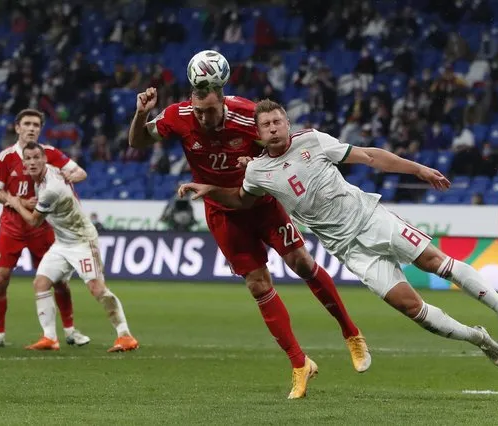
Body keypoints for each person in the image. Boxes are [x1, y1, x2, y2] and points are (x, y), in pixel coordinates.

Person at [179, 99, 498, 384]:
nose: (273, 129)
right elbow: (242, 200)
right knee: (415, 312)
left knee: (436, 263)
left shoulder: (313, 140)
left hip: (371, 219)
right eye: (266, 125)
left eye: (277, 122)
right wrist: (210, 189)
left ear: (287, 123)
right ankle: (479, 339)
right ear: (258, 133)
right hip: (349, 250)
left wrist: (418, 169)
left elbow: (368, 155)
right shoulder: (257, 171)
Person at [129, 85, 368, 400]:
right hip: (223, 213)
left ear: (222, 99)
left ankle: (351, 332)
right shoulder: (178, 115)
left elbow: (281, 148)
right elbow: (137, 141)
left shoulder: (247, 114)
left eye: (210, 110)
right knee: (258, 285)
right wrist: (141, 113)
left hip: (263, 202)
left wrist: (258, 165)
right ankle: (300, 364)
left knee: (302, 263)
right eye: (198, 111)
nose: (203, 117)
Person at [5, 142, 139, 352]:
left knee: (97, 289)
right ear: (24, 163)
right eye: (28, 158)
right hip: (62, 243)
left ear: (44, 159)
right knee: (40, 283)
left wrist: (16, 203)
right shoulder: (45, 176)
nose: (32, 162)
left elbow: (34, 221)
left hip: (83, 241)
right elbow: (78, 173)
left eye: (36, 158)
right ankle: (50, 338)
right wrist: (76, 175)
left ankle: (125, 336)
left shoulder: (51, 188)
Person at [0, 109, 91, 349]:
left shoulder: (49, 153)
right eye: (27, 124)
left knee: (59, 281)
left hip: (42, 226)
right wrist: (17, 202)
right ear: (17, 127)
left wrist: (69, 176)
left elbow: (79, 172)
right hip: (12, 226)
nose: (32, 128)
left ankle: (70, 331)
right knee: (1, 279)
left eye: (36, 125)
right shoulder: (5, 157)